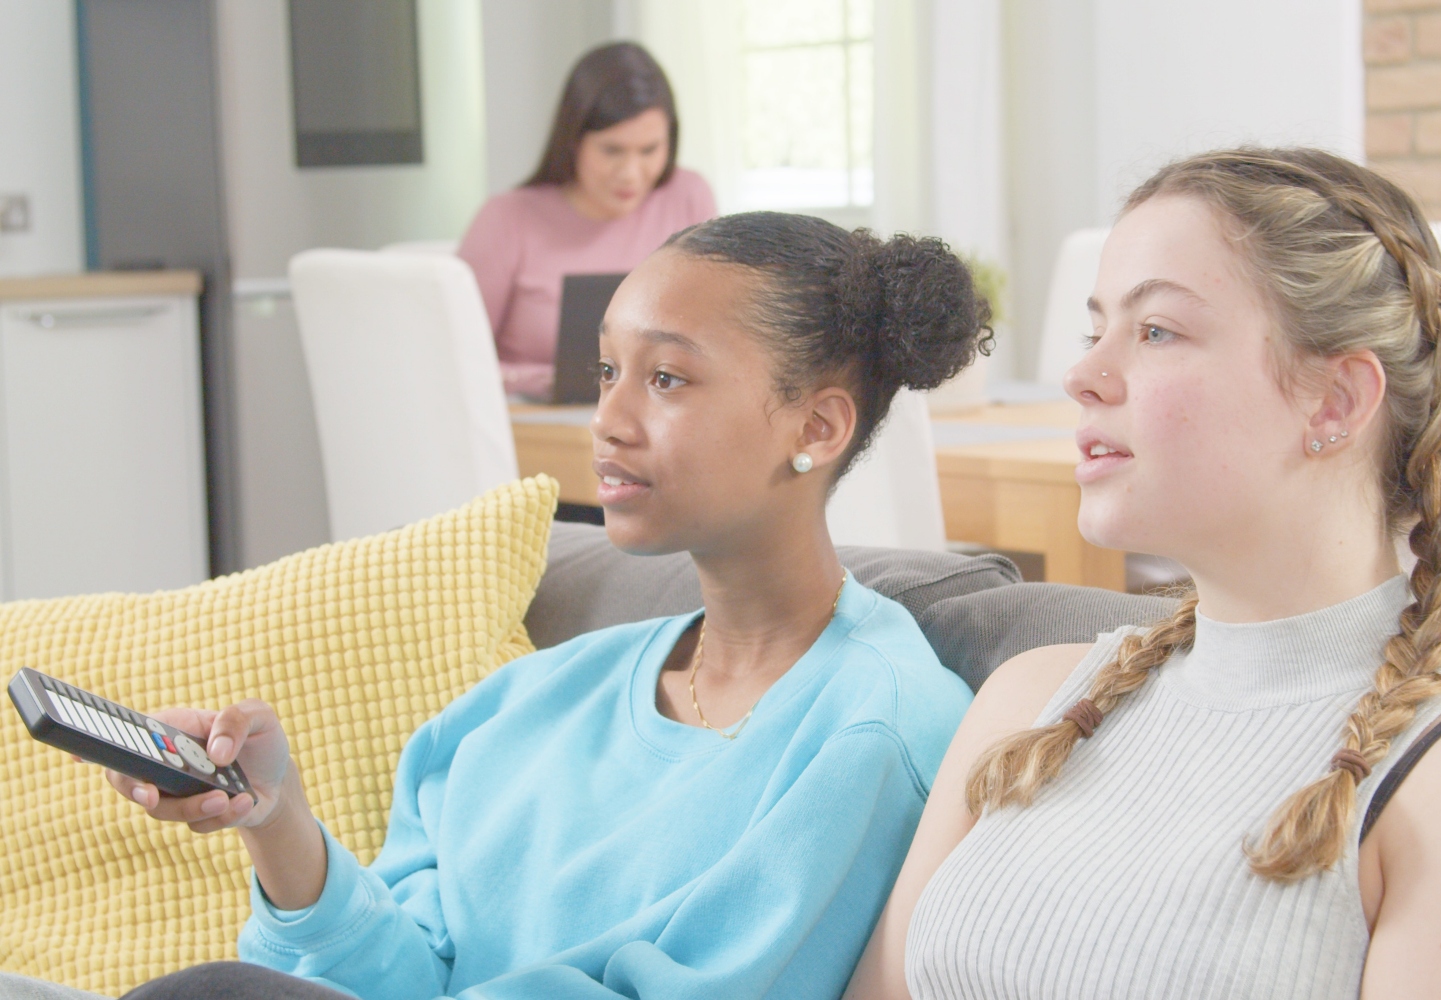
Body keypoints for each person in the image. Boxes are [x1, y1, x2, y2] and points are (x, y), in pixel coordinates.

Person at [31, 212, 988, 1000]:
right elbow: (396, 978)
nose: (607, 419)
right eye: (608, 371)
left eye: (666, 378)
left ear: (815, 426)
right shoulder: (515, 711)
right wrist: (275, 820)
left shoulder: (874, 729)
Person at [845, 148, 1441, 1000]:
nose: (1081, 375)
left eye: (1156, 331)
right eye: (1094, 330)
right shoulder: (1033, 700)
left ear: (1335, 402)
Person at [458, 42, 716, 400]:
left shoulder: (688, 196)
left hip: (663, 426)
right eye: (612, 150)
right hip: (538, 426)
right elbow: (451, 357)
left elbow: (718, 334)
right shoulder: (506, 219)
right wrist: (545, 381)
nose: (631, 173)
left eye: (649, 150)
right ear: (573, 140)